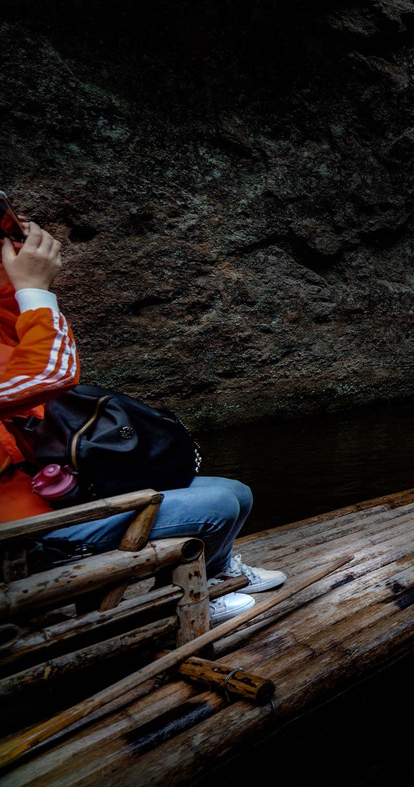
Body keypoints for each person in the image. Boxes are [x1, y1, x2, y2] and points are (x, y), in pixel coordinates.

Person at [0, 214, 285, 624]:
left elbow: (13, 335)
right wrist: (33, 287)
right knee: (218, 504)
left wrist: (13, 261)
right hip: (28, 541)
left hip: (50, 508)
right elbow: (49, 373)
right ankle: (190, 595)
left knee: (236, 490)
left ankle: (218, 573)